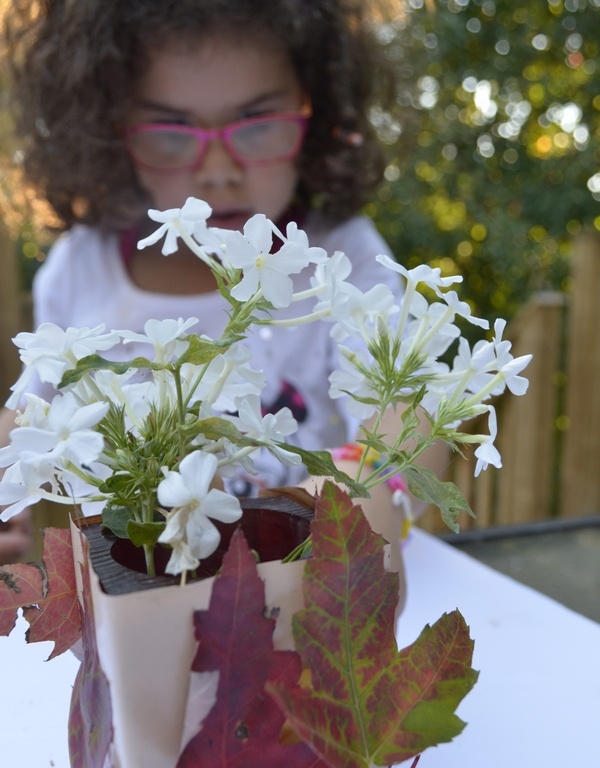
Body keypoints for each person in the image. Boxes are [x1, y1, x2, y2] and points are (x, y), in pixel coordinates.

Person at [0, 0, 416, 561]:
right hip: (138, 591)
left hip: (300, 585)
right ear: (109, 132)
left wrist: (358, 506)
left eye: (259, 124)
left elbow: (401, 430)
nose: (218, 168)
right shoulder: (80, 268)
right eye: (171, 133)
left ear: (314, 111)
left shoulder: (343, 259)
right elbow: (27, 421)